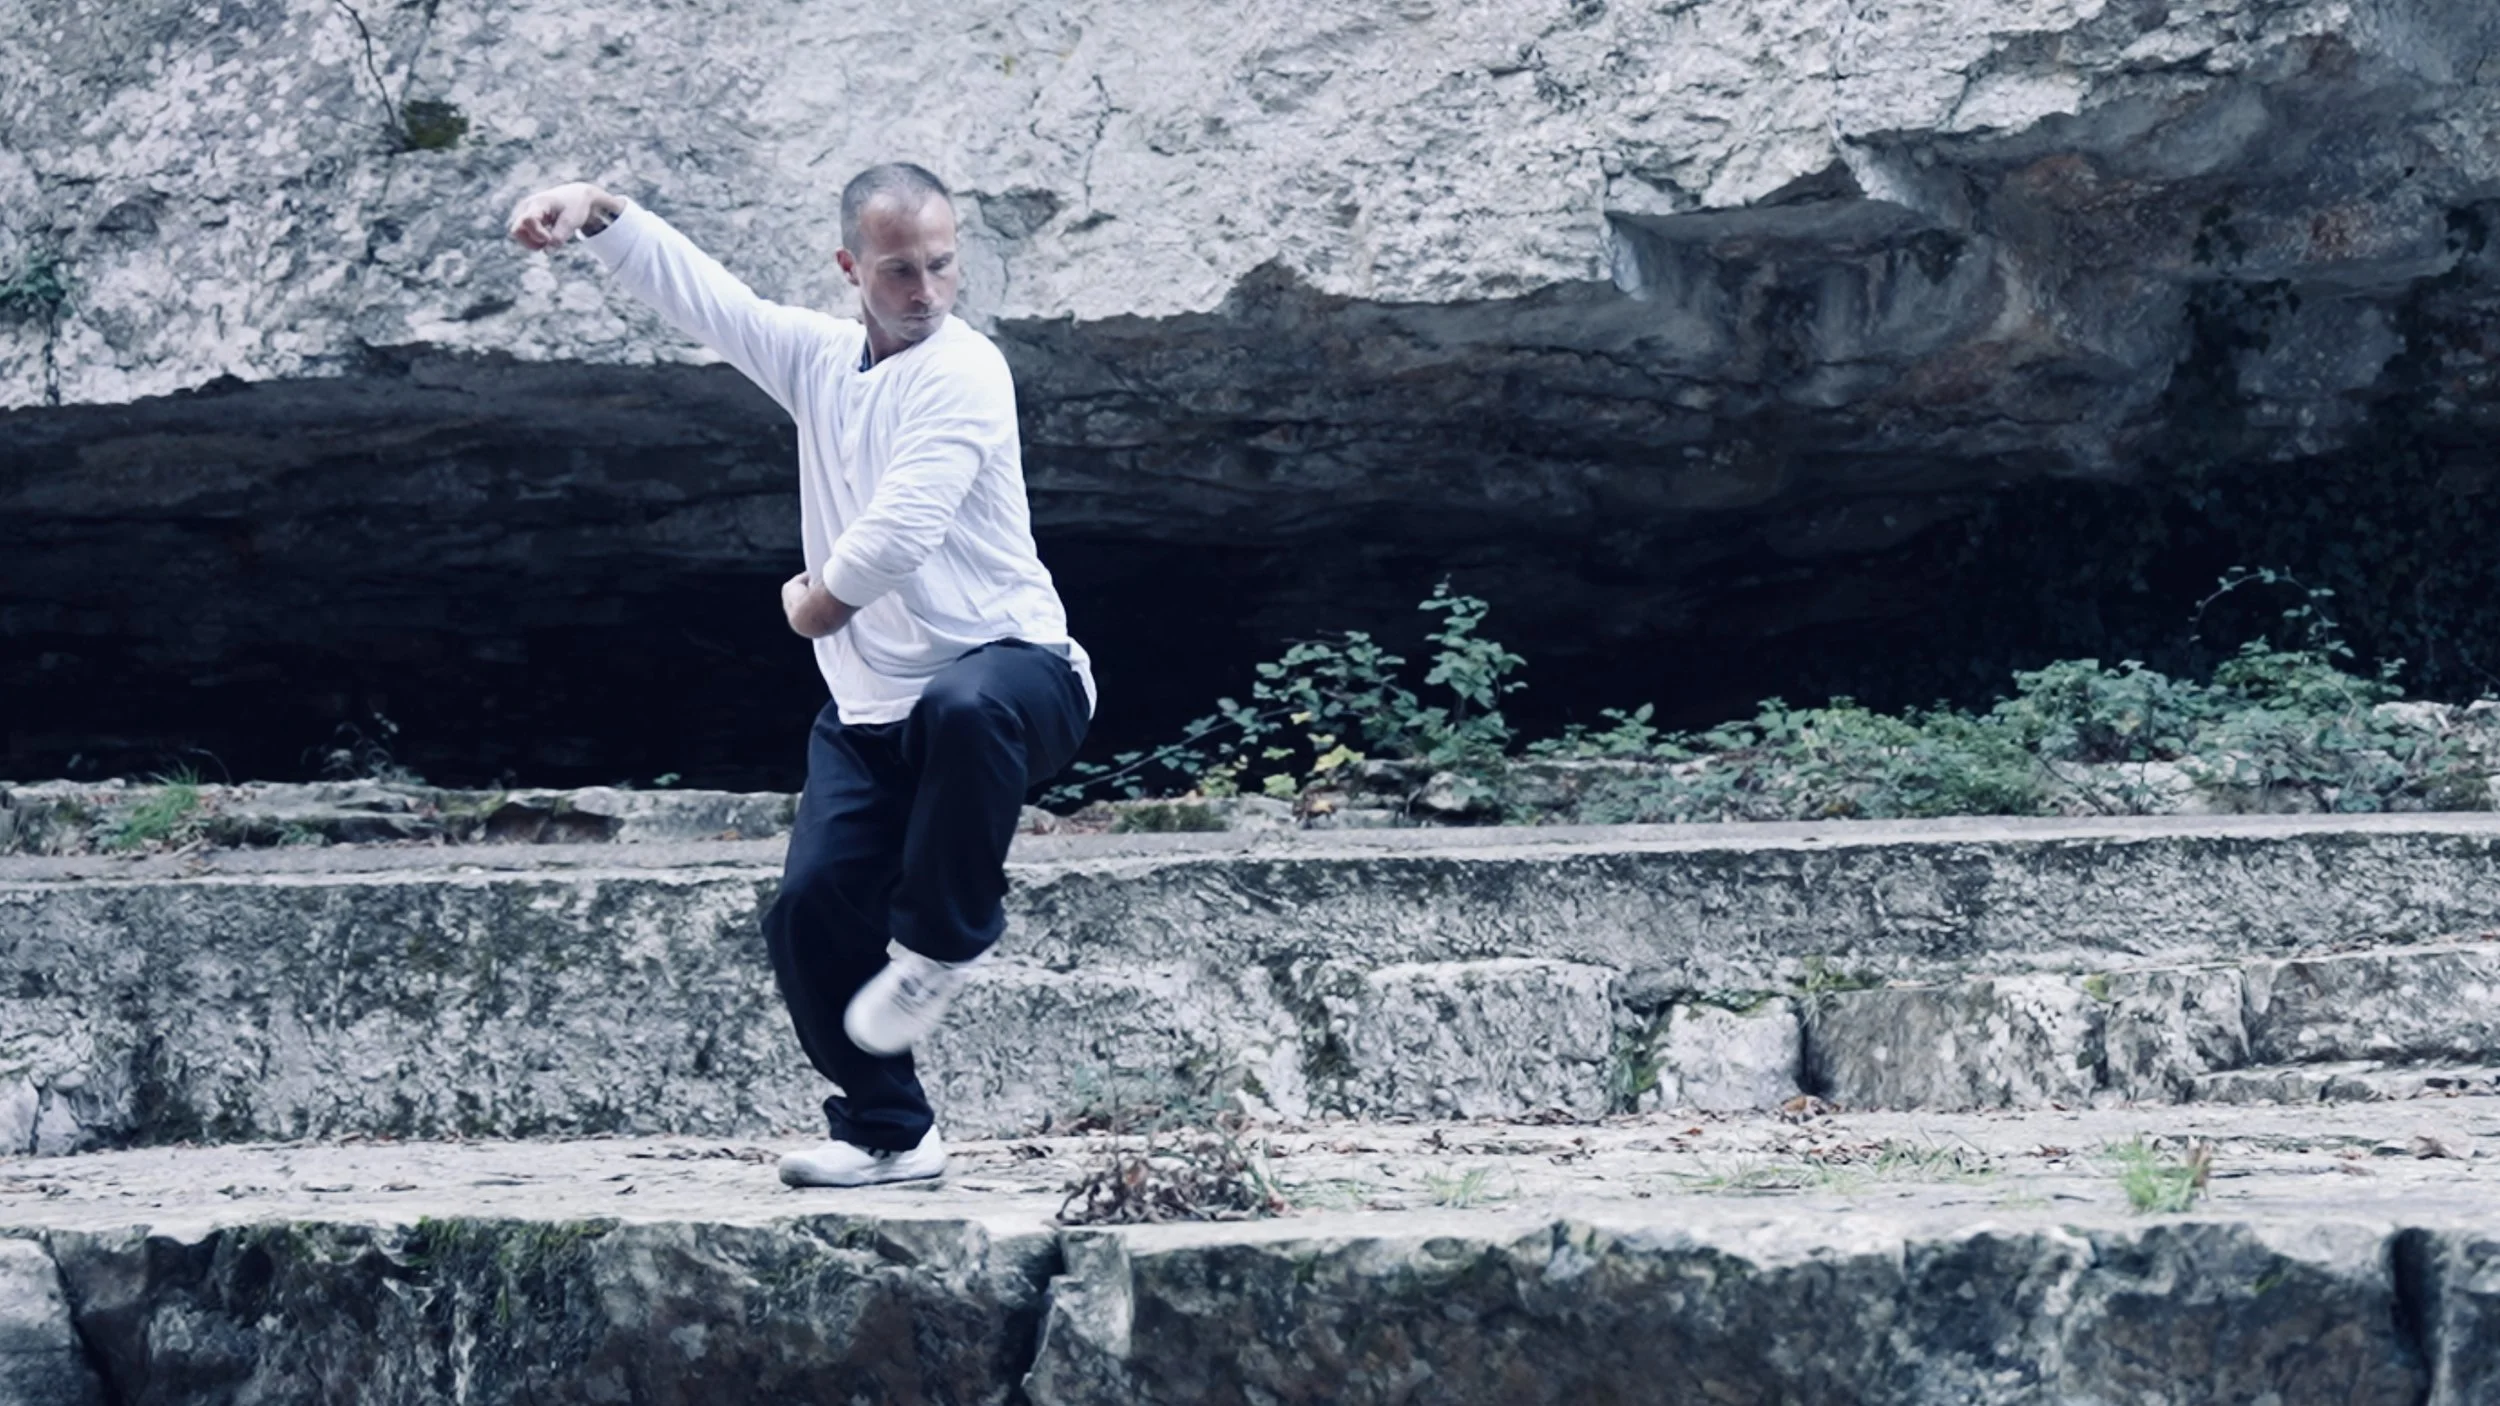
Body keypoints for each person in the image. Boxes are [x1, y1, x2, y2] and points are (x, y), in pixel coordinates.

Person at [506, 164, 1095, 1187]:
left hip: (1019, 677)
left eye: (942, 265)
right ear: (850, 268)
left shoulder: (967, 371)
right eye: (900, 270)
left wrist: (815, 602)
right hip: (872, 712)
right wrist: (597, 211)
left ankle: (938, 945)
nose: (926, 290)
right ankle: (888, 1130)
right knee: (810, 905)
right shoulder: (819, 360)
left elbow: (902, 528)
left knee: (963, 704)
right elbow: (712, 302)